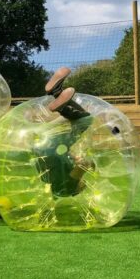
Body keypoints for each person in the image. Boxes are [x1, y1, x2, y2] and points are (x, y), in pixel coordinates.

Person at [35, 67, 98, 198]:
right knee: (77, 122)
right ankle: (56, 92)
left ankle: (61, 102)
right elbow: (58, 159)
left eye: (83, 186)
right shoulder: (51, 181)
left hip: (48, 148)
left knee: (86, 121)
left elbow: (84, 165)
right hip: (42, 149)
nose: (84, 184)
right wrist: (74, 158)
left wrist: (90, 166)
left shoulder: (68, 187)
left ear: (77, 190)